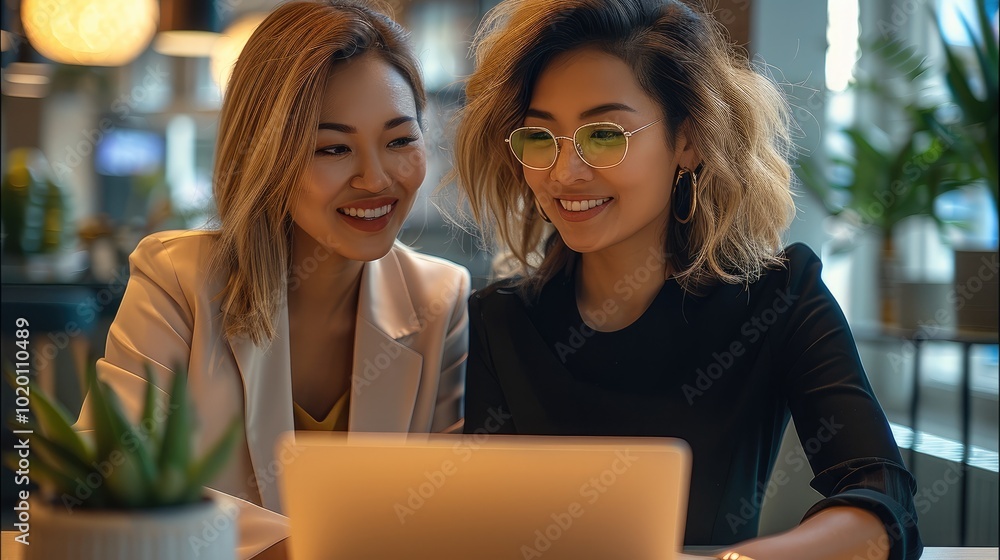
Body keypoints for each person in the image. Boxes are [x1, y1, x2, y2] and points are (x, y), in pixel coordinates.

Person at [451, 1, 921, 559]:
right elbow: (481, 529)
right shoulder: (498, 320)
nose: (564, 172)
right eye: (539, 138)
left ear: (688, 140)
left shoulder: (779, 295)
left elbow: (882, 502)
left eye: (604, 135)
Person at [80, 0, 469, 556]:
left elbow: (446, 505)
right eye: (333, 148)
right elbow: (104, 469)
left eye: (400, 140)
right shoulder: (179, 280)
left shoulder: (441, 298)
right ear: (265, 155)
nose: (376, 178)